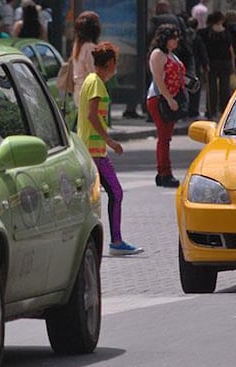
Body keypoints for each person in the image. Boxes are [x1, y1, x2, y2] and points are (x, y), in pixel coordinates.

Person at [77, 42, 143, 256]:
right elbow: (92, 115)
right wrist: (110, 141)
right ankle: (116, 241)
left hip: (91, 150)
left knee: (93, 197)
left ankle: (100, 241)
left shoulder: (90, 80)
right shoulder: (96, 83)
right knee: (115, 192)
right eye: (115, 62)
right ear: (110, 63)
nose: (117, 66)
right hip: (95, 151)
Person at [147, 23, 186, 188]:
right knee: (164, 138)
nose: (176, 40)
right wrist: (169, 99)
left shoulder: (171, 54)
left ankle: (162, 172)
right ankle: (165, 173)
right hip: (159, 99)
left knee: (166, 137)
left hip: (171, 99)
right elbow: (158, 79)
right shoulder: (158, 54)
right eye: (173, 37)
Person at [200, 12, 234, 120]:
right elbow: (230, 49)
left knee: (211, 87)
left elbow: (203, 49)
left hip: (211, 62)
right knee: (225, 87)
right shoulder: (227, 32)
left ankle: (211, 111)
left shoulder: (205, 32)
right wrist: (232, 65)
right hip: (225, 62)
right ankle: (225, 110)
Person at [71, 11, 101, 107]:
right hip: (89, 94)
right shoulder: (89, 47)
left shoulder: (77, 46)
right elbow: (93, 72)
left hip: (79, 91)